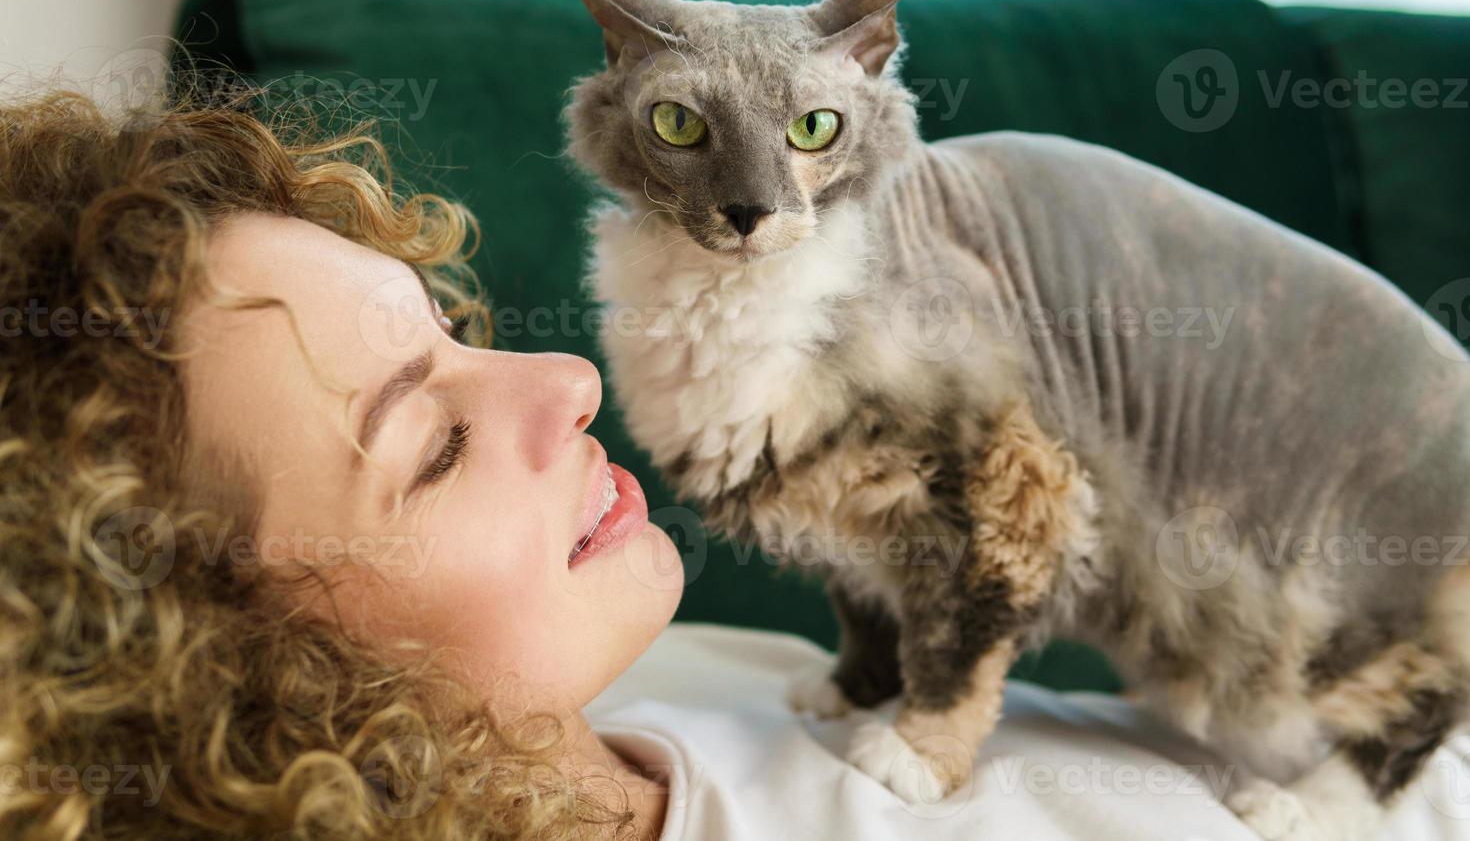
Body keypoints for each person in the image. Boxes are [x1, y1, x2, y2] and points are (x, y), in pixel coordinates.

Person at [2, 89, 1463, 840]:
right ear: (219, 684)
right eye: (433, 442)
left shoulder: (665, 671)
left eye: (450, 332)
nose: (569, 379)